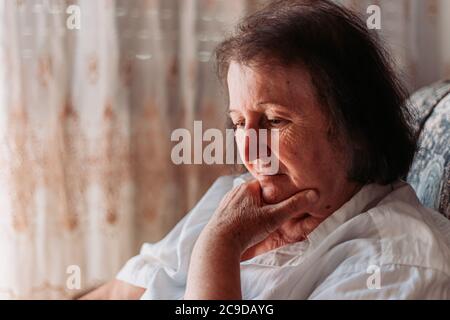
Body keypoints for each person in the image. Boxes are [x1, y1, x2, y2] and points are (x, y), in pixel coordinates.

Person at [81, 0, 450, 299]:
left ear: (357, 128)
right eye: (240, 123)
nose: (250, 148)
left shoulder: (394, 266)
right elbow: (119, 293)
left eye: (275, 121)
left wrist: (219, 248)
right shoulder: (234, 198)